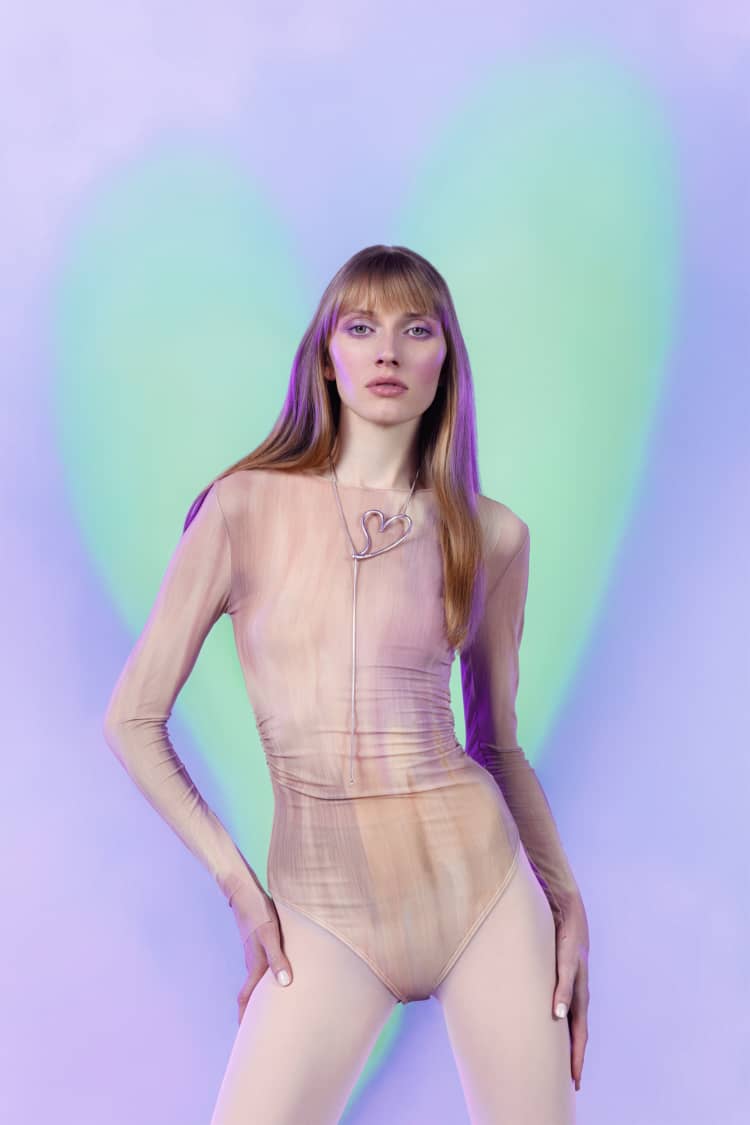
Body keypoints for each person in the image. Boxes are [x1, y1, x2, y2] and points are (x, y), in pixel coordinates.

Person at [103, 244, 590, 1123]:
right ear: (326, 356)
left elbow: (497, 744)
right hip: (323, 910)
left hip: (482, 891)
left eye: (416, 330)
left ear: (447, 359)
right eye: (361, 328)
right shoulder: (242, 507)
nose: (387, 351)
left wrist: (565, 899)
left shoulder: (492, 534)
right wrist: (241, 890)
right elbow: (133, 720)